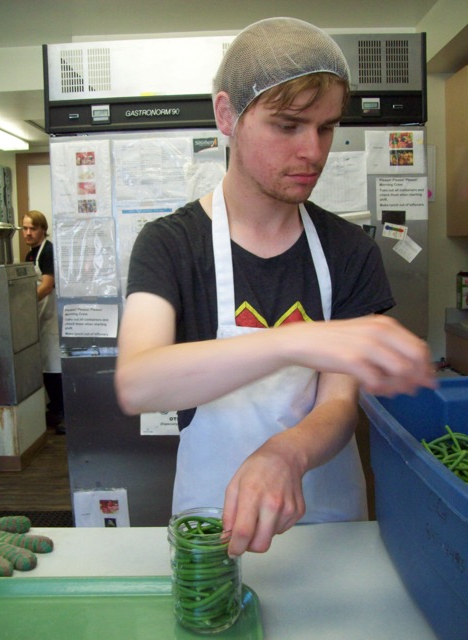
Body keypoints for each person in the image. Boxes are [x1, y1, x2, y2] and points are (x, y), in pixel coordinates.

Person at [115, 17, 435, 556]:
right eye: (288, 126)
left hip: (328, 524)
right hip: (212, 528)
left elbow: (337, 405)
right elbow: (139, 382)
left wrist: (285, 453)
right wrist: (296, 340)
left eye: (327, 127)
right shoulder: (170, 244)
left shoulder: (348, 249)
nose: (312, 150)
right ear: (227, 116)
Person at [22, 210, 65, 435]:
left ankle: (61, 411)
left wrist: (23, 308)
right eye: (25, 228)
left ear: (42, 230)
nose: (28, 233)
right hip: (41, 316)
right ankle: (55, 409)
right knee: (46, 364)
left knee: (53, 365)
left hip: (52, 318)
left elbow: (47, 285)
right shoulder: (31, 255)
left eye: (33, 228)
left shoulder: (48, 251)